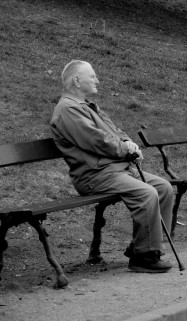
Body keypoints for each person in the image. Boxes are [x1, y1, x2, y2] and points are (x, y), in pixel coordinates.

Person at [50, 60, 174, 273]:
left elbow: (115, 130)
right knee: (146, 193)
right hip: (94, 175)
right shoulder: (68, 110)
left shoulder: (86, 105)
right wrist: (125, 149)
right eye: (92, 76)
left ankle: (143, 247)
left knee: (163, 188)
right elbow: (97, 140)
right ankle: (143, 257)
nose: (97, 80)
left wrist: (128, 142)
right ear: (77, 80)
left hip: (115, 170)